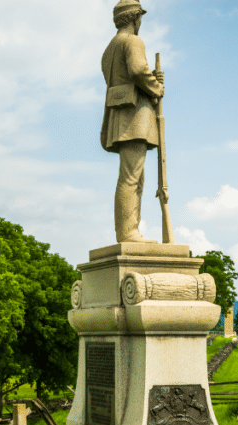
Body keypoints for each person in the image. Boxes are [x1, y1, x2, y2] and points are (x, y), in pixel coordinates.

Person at [101, 0, 164, 243]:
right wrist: (156, 86)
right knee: (131, 177)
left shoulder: (110, 48)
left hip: (120, 115)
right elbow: (137, 71)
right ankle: (128, 233)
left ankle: (130, 230)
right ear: (136, 18)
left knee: (135, 177)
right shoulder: (133, 41)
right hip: (135, 117)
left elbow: (126, 76)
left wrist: (152, 78)